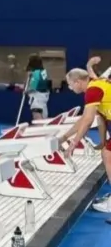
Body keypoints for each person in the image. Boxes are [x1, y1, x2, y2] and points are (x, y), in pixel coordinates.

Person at [62, 68, 111, 214]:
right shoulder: (96, 85)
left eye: (70, 85)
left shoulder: (93, 90)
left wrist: (73, 143)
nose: (70, 88)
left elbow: (88, 120)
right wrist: (65, 137)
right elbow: (92, 119)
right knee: (106, 153)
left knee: (108, 155)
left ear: (78, 82)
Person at [23, 54, 50, 120]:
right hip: (44, 98)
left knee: (37, 118)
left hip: (37, 99)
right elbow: (45, 83)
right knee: (43, 116)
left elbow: (33, 88)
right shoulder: (43, 71)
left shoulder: (35, 73)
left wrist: (26, 91)